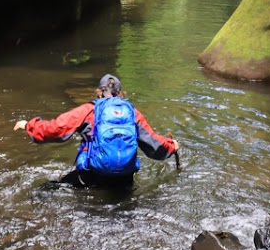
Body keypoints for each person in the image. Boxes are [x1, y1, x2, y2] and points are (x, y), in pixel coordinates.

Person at [13, 74, 179, 188]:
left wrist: (29, 126)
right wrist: (172, 146)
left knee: (51, 187)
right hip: (124, 182)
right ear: (120, 93)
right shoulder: (132, 113)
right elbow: (154, 143)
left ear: (99, 91)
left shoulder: (88, 110)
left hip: (92, 176)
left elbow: (56, 129)